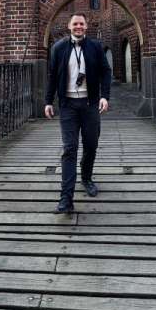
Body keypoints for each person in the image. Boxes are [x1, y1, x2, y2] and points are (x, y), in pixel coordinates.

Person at [44, 13, 112, 212]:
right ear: (69, 26)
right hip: (68, 106)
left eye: (81, 23)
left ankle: (87, 177)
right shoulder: (58, 48)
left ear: (86, 26)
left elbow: (106, 72)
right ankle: (66, 199)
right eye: (75, 24)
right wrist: (48, 101)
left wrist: (104, 96)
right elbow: (52, 76)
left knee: (91, 145)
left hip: (90, 104)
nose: (78, 27)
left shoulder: (96, 47)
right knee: (69, 149)